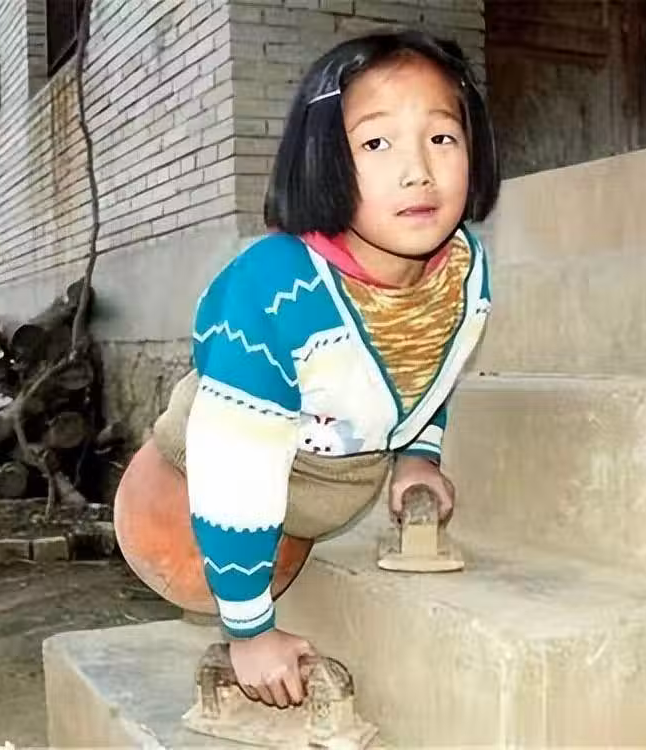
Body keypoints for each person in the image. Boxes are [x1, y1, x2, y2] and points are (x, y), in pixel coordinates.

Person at [114, 30, 499, 710]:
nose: (418, 170)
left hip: (311, 497)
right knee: (207, 566)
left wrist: (418, 455)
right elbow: (234, 463)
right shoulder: (276, 290)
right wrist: (249, 630)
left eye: (442, 137)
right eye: (375, 144)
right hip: (187, 500)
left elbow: (425, 369)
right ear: (320, 156)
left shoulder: (461, 268)